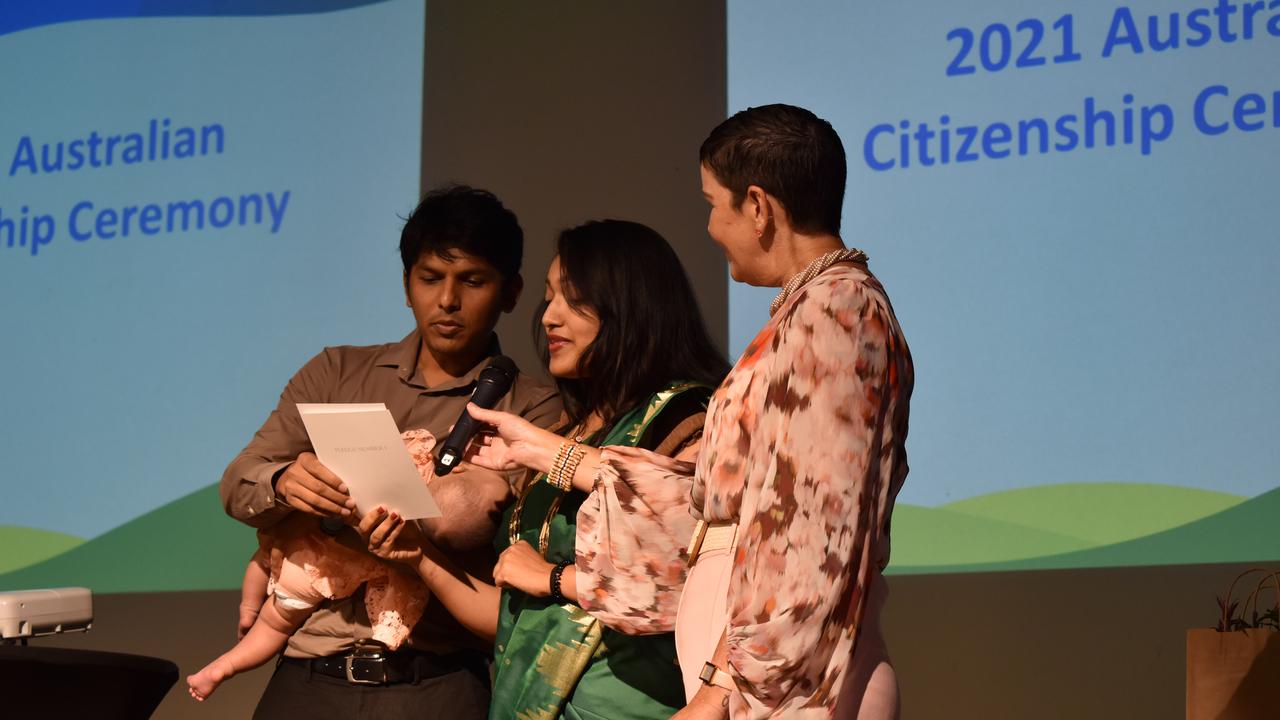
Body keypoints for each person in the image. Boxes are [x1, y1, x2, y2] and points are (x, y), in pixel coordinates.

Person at [360, 219, 731, 720]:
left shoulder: (691, 419)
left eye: (572, 298)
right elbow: (514, 622)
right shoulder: (574, 427)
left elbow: (680, 575)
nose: (550, 317)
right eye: (548, 296)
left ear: (630, 307)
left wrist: (553, 576)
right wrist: (419, 557)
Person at [219, 185, 562, 720]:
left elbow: (495, 542)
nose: (447, 301)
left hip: (437, 681)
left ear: (510, 291)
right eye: (430, 279)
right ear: (407, 286)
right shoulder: (337, 372)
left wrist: (350, 525)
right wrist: (284, 481)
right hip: (308, 672)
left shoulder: (536, 411)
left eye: (472, 281)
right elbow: (239, 483)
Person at [675, 104, 914, 720]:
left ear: (758, 207)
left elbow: (808, 526)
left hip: (786, 685)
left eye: (712, 202)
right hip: (769, 676)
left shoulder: (836, 310)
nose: (708, 225)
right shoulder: (816, 306)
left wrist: (720, 685)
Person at [190, 430, 496, 702]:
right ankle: (225, 662)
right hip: (311, 563)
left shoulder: (410, 476)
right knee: (273, 617)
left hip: (304, 549)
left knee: (267, 581)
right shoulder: (412, 533)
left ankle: (238, 633)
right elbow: (396, 597)